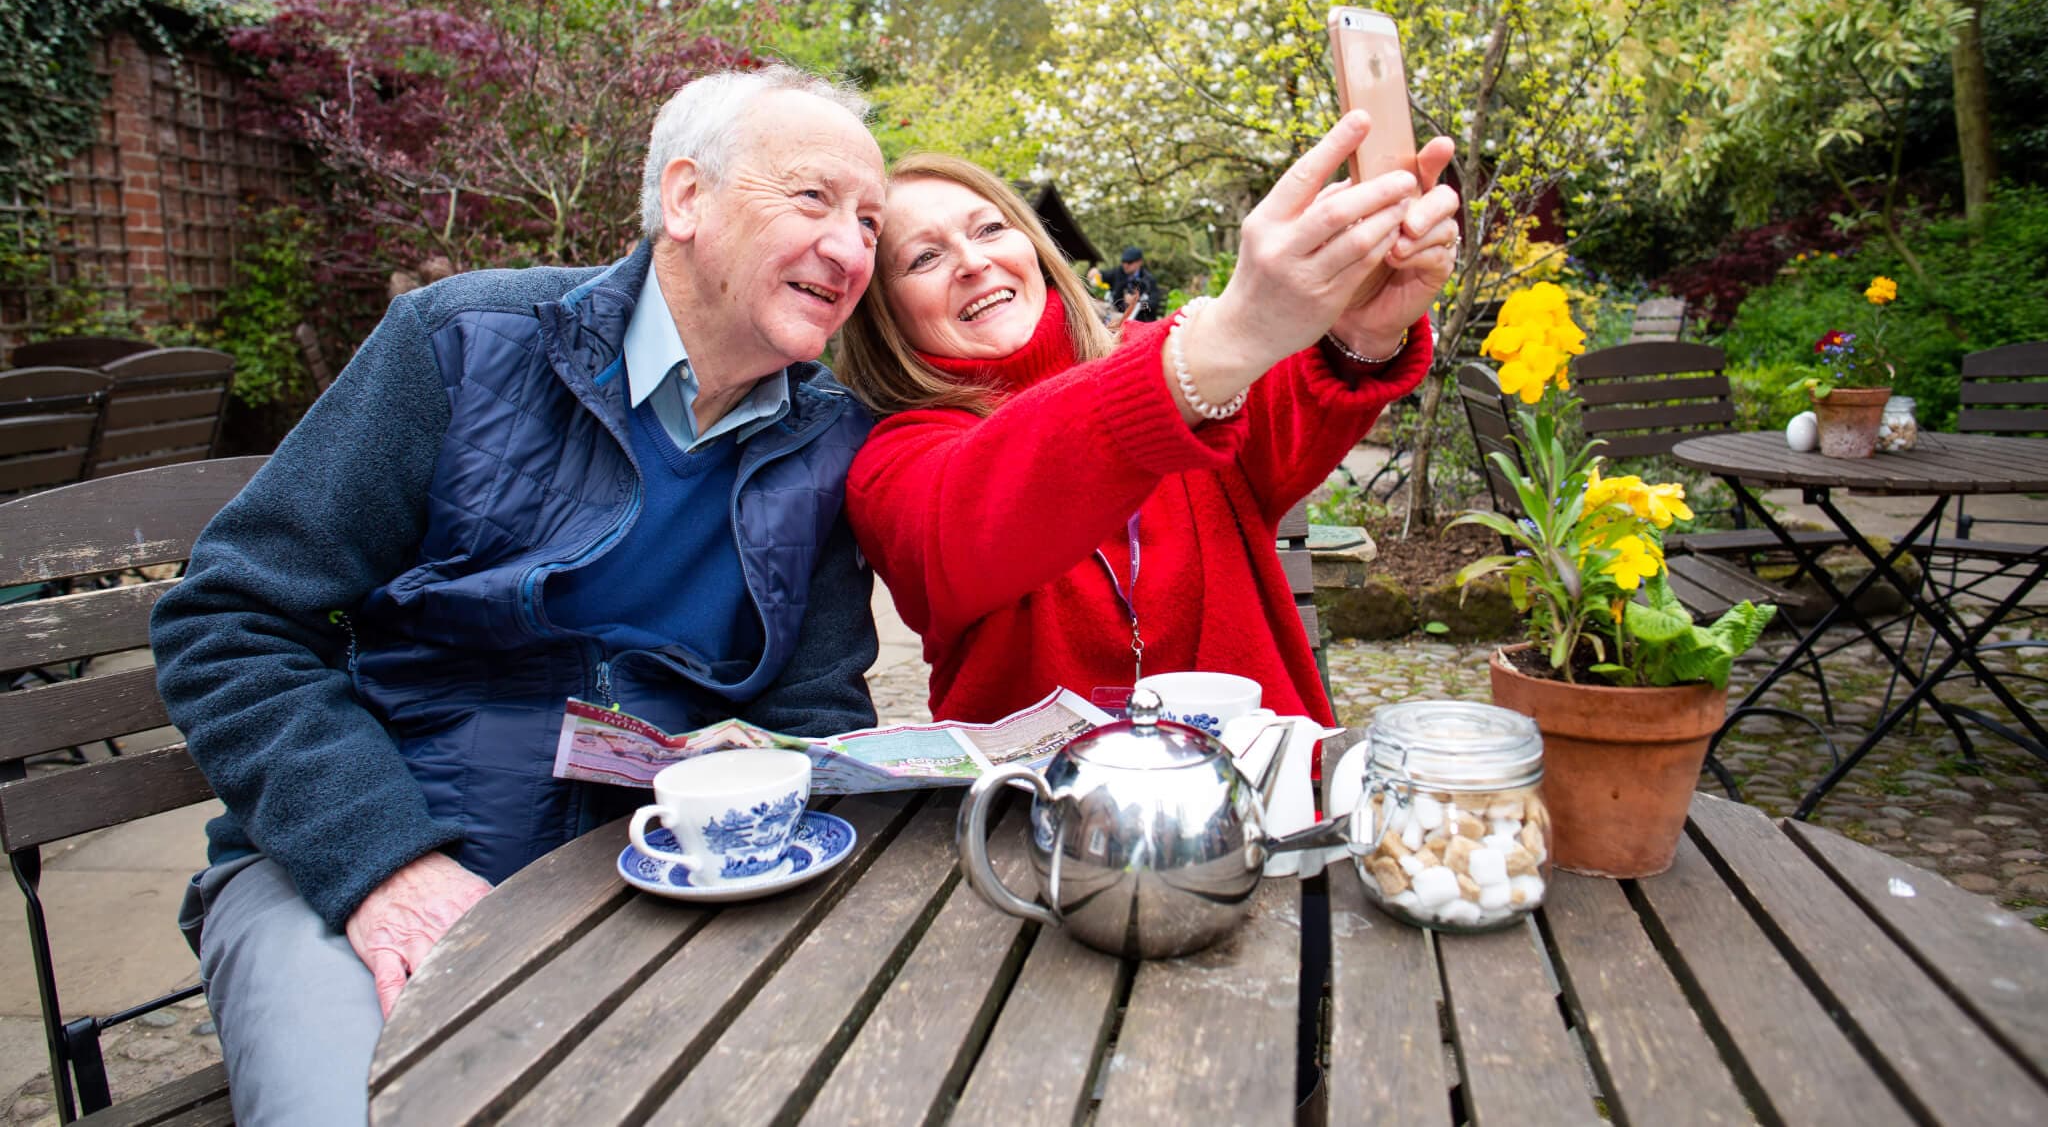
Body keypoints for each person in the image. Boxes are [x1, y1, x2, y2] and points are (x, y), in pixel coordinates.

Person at [150, 65, 888, 1126]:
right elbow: (225, 623)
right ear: (685, 199)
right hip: (354, 864)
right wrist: (382, 867)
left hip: (646, 879)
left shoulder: (823, 444)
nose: (849, 247)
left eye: (868, 221)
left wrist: (764, 770)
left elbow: (816, 717)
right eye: (813, 199)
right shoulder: (462, 342)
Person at [836, 112, 1459, 725]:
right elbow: (982, 502)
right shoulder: (895, 464)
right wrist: (1225, 340)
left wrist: (1363, 327)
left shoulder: (1171, 357)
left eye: (991, 228)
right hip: (1027, 818)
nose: (973, 262)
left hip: (1262, 798)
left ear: (1033, 245)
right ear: (886, 314)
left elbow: (1297, 406)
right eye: (923, 259)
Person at [1107, 244, 1163, 322]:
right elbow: (1116, 302)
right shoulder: (1119, 273)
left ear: (1139, 262)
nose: (1125, 265)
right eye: (1123, 261)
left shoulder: (1149, 280)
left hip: (1141, 321)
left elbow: (1153, 304)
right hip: (1122, 317)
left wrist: (1137, 303)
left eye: (1129, 262)